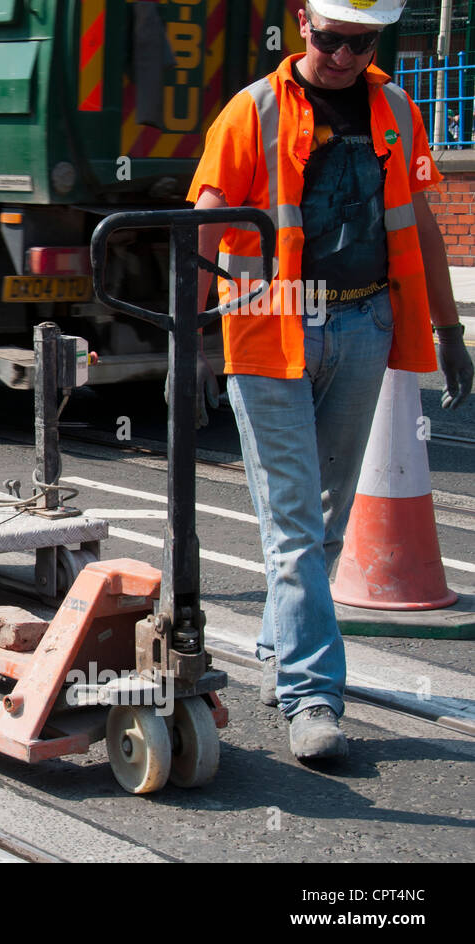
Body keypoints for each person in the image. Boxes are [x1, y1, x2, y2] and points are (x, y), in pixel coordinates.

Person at [187, 0, 473, 763]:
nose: (345, 56)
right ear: (301, 23)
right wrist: (188, 341)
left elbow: (420, 217)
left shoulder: (399, 109)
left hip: (361, 324)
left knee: (326, 523)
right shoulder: (250, 112)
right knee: (293, 526)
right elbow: (208, 221)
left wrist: (450, 330)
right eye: (332, 38)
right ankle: (313, 696)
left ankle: (281, 654)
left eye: (363, 42)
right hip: (267, 325)